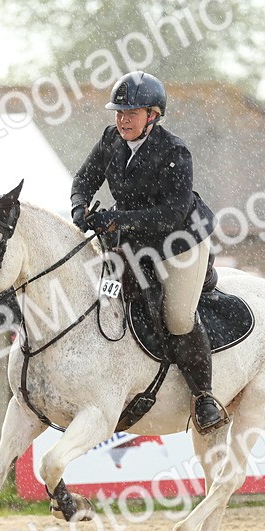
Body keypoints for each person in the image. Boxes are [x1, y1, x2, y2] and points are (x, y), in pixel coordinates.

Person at [70, 70, 227, 432]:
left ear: (153, 116)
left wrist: (117, 219)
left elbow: (171, 214)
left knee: (178, 317)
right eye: (119, 113)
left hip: (180, 241)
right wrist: (80, 206)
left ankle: (204, 397)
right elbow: (84, 179)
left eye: (132, 113)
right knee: (100, 293)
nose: (122, 120)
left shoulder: (174, 151)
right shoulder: (110, 139)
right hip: (133, 238)